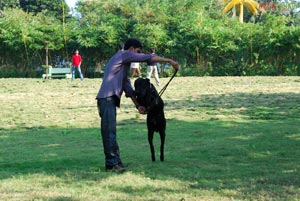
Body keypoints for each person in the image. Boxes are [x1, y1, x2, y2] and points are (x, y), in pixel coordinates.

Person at [96, 38, 179, 173]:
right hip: (107, 98)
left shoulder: (122, 64)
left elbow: (126, 86)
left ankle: (116, 162)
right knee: (109, 132)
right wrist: (169, 61)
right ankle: (111, 164)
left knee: (111, 132)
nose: (137, 55)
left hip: (109, 99)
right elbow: (147, 58)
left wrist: (138, 105)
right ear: (133, 49)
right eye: (138, 51)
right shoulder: (123, 54)